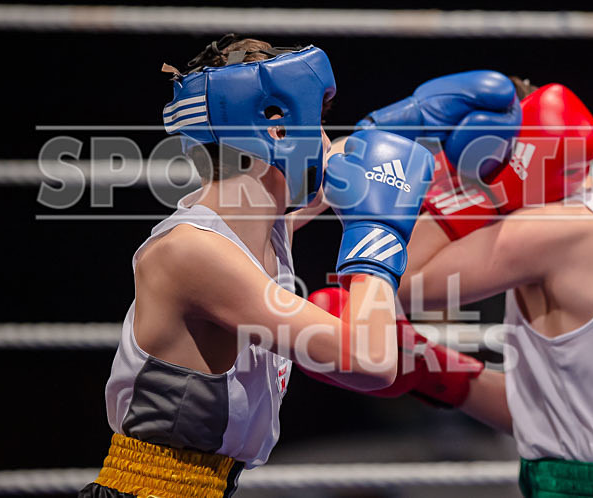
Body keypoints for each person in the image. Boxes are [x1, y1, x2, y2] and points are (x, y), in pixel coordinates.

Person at [79, 34, 434, 498]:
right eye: (319, 120)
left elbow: (351, 160)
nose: (325, 138)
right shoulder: (190, 253)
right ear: (278, 128)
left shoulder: (263, 233)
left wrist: (410, 124)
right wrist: (376, 240)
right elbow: (370, 361)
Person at [305, 72, 593, 497]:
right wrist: (430, 370)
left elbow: (398, 277)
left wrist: (476, 186)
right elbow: (562, 423)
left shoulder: (551, 231)